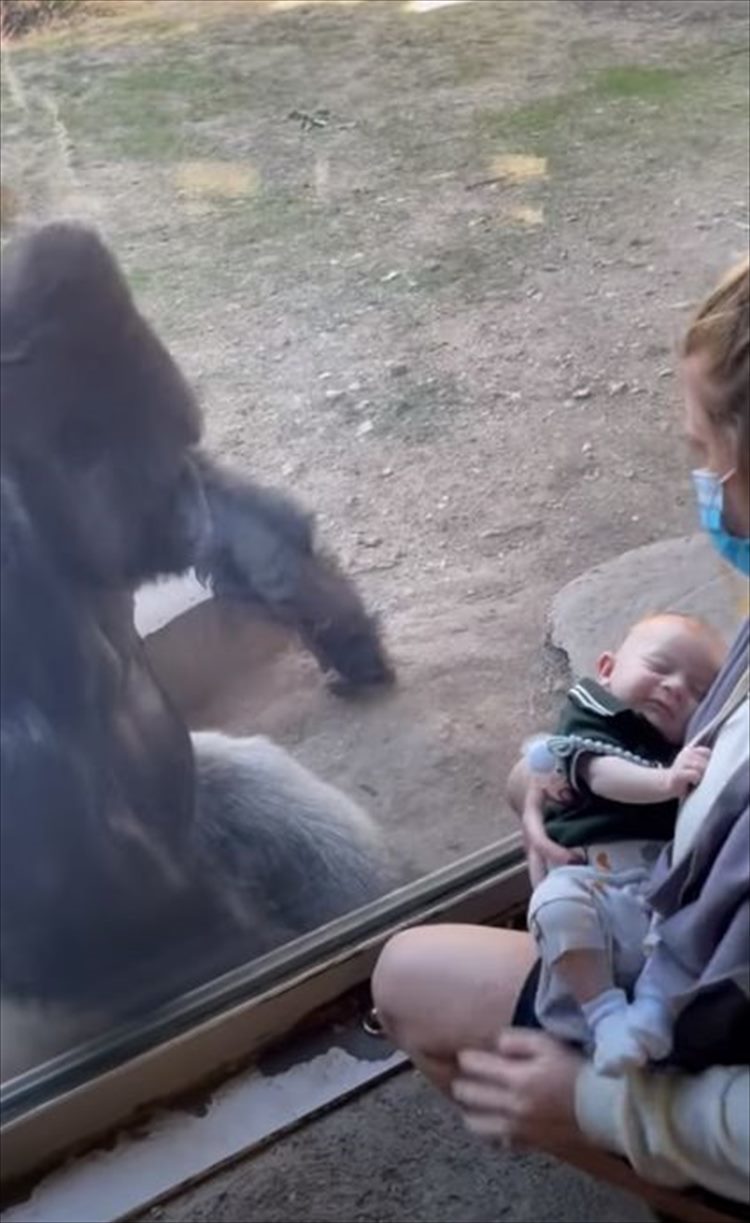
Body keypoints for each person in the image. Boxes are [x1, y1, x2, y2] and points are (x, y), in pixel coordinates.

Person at [371, 256, 749, 1203]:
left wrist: (590, 1104)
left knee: (407, 976)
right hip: (688, 948)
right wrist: (564, 785)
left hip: (709, 1026)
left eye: (703, 450)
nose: (702, 481)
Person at [523, 613, 725, 1075]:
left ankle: (654, 1011)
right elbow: (602, 775)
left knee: (696, 926)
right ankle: (606, 1017)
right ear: (608, 668)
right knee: (554, 903)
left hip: (659, 888)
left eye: (697, 691)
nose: (675, 687)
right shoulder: (597, 717)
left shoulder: (690, 745)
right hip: (592, 881)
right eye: (659, 666)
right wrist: (667, 781)